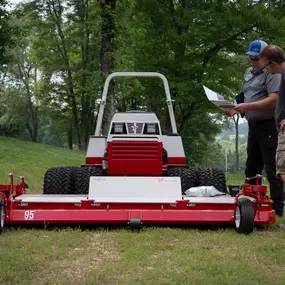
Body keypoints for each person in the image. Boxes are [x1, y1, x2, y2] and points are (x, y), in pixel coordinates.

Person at [233, 40, 284, 217]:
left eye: (256, 58)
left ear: (265, 57)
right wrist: (235, 108)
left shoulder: (273, 72)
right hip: (253, 125)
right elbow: (244, 96)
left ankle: (278, 208)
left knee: (272, 166)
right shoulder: (248, 73)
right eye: (251, 57)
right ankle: (249, 202)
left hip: (269, 125)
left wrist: (249, 107)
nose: (253, 61)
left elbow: (274, 99)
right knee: (252, 166)